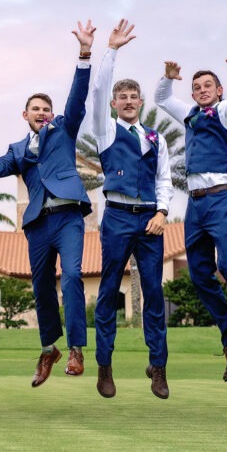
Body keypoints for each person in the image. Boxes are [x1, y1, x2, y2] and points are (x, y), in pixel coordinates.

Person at [0, 20, 95, 386]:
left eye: (45, 108)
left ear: (51, 115)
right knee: (40, 286)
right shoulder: (18, 151)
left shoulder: (64, 130)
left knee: (71, 276)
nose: (41, 112)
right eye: (34, 108)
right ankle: (48, 349)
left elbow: (78, 97)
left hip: (68, 216)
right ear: (25, 115)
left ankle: (75, 350)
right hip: (38, 223)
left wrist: (84, 53)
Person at [154, 46, 227, 380]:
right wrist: (167, 78)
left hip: (221, 199)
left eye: (207, 86)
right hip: (194, 204)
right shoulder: (189, 116)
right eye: (197, 87)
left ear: (219, 90)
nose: (201, 91)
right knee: (199, 275)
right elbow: (161, 98)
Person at [89, 20, 174, 399]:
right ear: (114, 104)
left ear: (140, 102)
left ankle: (158, 367)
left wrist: (163, 213)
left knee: (154, 293)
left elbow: (165, 180)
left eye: (133, 96)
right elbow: (98, 89)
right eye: (121, 97)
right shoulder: (106, 131)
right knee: (108, 290)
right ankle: (104, 366)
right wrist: (112, 50)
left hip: (150, 220)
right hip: (118, 216)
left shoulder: (156, 138)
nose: (126, 101)